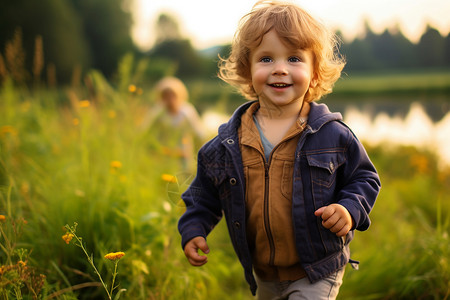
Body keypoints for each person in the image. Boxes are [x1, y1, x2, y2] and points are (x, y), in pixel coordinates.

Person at [178, 1, 381, 299]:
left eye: (295, 59)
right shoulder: (226, 144)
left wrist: (349, 209)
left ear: (314, 73)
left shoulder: (332, 135)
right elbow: (202, 195)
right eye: (266, 59)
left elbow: (365, 178)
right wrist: (193, 229)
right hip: (264, 274)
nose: (280, 69)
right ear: (248, 70)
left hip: (318, 269)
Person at [144, 76, 206, 171]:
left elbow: (200, 134)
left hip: (183, 155)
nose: (169, 99)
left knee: (182, 179)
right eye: (165, 96)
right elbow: (146, 133)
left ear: (179, 94)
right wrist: (153, 149)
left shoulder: (187, 111)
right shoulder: (158, 112)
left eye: (172, 95)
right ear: (161, 97)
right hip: (163, 154)